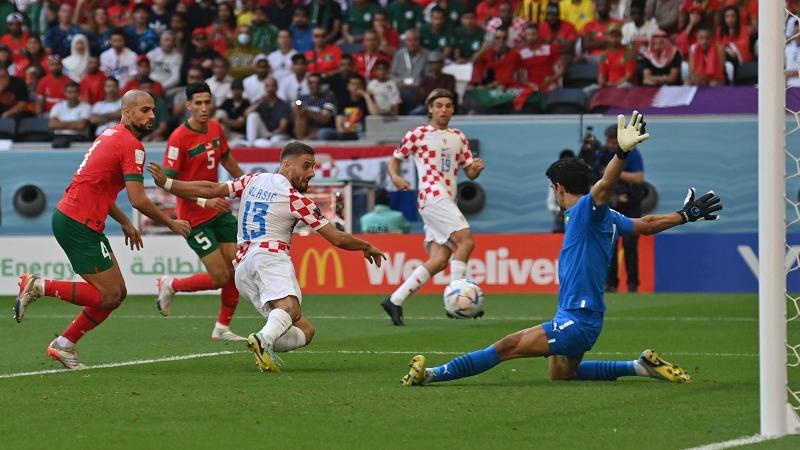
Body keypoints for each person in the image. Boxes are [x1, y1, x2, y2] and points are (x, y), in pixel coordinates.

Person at [401, 111, 723, 387]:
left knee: (507, 346)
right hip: (580, 315)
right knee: (562, 374)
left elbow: (604, 188)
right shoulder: (604, 216)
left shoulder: (586, 209)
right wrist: (685, 215)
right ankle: (639, 366)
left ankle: (431, 375)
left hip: (578, 319)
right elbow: (648, 224)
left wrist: (620, 154)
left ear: (559, 188)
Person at [146, 141, 387, 372]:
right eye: (306, 165)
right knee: (290, 309)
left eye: (313, 166)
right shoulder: (296, 199)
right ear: (286, 164)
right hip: (269, 256)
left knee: (305, 330)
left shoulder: (254, 179)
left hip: (243, 268)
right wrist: (367, 245)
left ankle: (262, 341)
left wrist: (168, 184)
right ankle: (263, 339)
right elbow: (337, 238)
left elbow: (212, 189)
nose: (312, 172)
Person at [14, 90, 191, 370]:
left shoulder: (109, 135)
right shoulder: (132, 146)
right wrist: (172, 222)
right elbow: (138, 198)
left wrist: (123, 221)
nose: (152, 116)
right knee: (107, 296)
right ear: (127, 112)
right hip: (77, 222)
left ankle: (64, 345)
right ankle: (38, 286)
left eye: (153, 110)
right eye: (145, 110)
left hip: (78, 219)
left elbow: (99, 186)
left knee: (117, 294)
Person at [381, 89, 486, 326]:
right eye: (438, 105)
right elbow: (394, 160)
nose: (443, 110)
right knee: (467, 241)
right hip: (432, 195)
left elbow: (469, 171)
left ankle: (394, 300)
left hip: (447, 198)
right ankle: (457, 301)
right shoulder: (418, 134)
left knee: (440, 259)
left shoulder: (459, 136)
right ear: (430, 108)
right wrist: (396, 177)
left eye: (448, 105)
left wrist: (475, 170)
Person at [155, 82, 248, 342]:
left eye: (207, 102)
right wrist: (204, 201)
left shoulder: (216, 128)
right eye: (198, 103)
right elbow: (168, 184)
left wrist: (246, 184)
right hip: (193, 217)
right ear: (188, 106)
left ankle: (222, 328)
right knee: (219, 276)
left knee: (236, 268)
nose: (204, 108)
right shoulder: (178, 139)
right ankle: (172, 284)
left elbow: (226, 158)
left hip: (219, 211)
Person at [597, 123, 645, 293]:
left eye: (613, 141)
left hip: (631, 206)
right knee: (610, 245)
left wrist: (613, 172)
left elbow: (639, 177)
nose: (611, 145)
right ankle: (611, 284)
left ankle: (633, 284)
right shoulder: (603, 154)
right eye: (608, 141)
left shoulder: (632, 154)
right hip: (611, 205)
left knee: (631, 246)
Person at [245, 76, 291, 146]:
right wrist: (260, 103)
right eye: (267, 86)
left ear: (277, 87)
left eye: (272, 86)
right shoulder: (261, 102)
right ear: (264, 88)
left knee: (274, 140)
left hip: (279, 135)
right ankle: (251, 144)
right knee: (253, 116)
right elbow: (246, 113)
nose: (270, 88)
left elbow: (282, 128)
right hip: (265, 133)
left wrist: (270, 135)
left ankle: (256, 143)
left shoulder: (283, 105)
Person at [293, 72, 337, 140]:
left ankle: (302, 141)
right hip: (305, 128)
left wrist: (307, 112)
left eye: (317, 82)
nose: (314, 85)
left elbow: (325, 119)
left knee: (322, 133)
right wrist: (298, 108)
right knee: (299, 115)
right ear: (308, 84)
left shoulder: (328, 99)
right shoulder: (301, 98)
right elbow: (297, 105)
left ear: (321, 84)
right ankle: (301, 140)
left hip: (320, 129)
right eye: (311, 83)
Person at [49, 81, 92, 145]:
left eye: (75, 92)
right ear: (65, 93)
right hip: (59, 138)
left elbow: (81, 126)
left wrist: (61, 124)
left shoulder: (86, 107)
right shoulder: (58, 106)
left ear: (79, 93)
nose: (72, 95)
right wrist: (74, 124)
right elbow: (52, 124)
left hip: (79, 139)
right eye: (69, 92)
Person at [546, 149, 575, 233]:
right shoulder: (554, 180)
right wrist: (559, 211)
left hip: (576, 218)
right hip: (560, 221)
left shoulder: (579, 178)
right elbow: (550, 202)